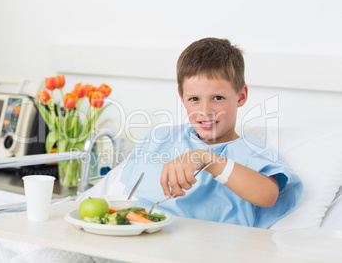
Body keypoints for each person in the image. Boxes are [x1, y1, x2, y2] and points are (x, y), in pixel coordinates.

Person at [77, 37, 303, 229]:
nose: (205, 111)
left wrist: (207, 159)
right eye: (194, 99)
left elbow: (268, 195)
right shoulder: (161, 139)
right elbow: (126, 196)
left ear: (241, 96)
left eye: (218, 98)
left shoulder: (249, 149)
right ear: (182, 97)